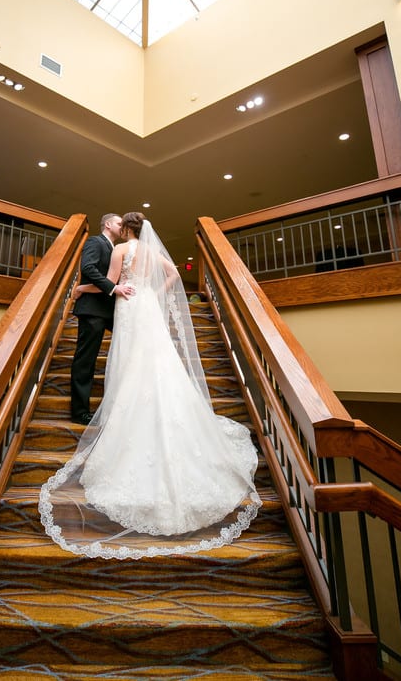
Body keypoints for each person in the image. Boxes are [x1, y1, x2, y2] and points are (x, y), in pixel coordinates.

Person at [39, 212, 261, 558]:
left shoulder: (121, 250)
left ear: (124, 228)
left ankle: (127, 409)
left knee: (129, 362)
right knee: (158, 359)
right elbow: (173, 275)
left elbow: (111, 281)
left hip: (128, 305)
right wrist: (152, 291)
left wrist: (101, 288)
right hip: (147, 307)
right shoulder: (153, 252)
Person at [69, 213, 134, 424]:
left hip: (110, 310)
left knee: (134, 344)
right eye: (118, 223)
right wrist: (113, 288)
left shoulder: (116, 249)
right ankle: (80, 412)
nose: (122, 226)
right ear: (107, 224)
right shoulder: (95, 242)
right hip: (92, 310)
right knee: (85, 361)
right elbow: (88, 267)